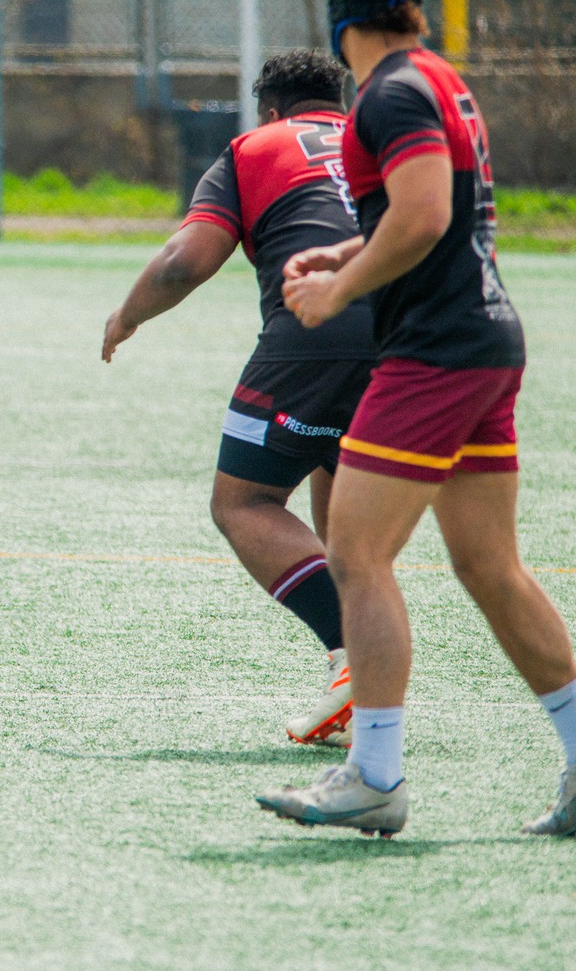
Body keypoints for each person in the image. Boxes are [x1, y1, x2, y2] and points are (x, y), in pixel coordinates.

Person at [257, 0, 576, 837]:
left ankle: (376, 776)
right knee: (486, 563)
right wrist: (349, 250)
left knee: (356, 550)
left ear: (338, 11)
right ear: (412, 3)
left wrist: (336, 290)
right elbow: (434, 211)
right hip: (484, 337)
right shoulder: (438, 79)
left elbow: (427, 214)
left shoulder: (388, 92)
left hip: (433, 350)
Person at [102, 49, 375, 747]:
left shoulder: (255, 146)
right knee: (335, 479)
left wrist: (127, 315)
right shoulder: (373, 137)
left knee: (243, 502)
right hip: (410, 334)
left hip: (317, 328)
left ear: (274, 110)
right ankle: (362, 690)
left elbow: (185, 261)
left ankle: (358, 657)